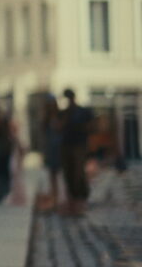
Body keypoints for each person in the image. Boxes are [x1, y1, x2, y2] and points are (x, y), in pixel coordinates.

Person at [60, 88, 94, 216]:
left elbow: (91, 125)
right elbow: (58, 127)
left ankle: (81, 198)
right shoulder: (64, 112)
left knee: (78, 172)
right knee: (68, 172)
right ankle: (73, 200)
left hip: (79, 145)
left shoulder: (83, 111)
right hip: (66, 145)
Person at [38, 94, 63, 212]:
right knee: (52, 175)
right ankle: (54, 200)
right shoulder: (46, 119)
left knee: (60, 175)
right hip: (50, 149)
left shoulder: (60, 116)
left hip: (59, 148)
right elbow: (44, 135)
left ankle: (61, 199)